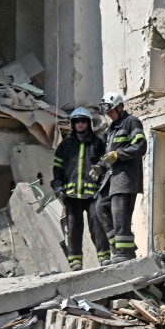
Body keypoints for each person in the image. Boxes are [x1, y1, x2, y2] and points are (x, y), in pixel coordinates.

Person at [51, 107, 111, 271]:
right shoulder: (64, 146)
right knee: (74, 229)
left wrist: (102, 187)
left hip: (93, 195)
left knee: (97, 226)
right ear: (72, 124)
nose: (80, 124)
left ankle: (104, 257)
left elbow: (105, 165)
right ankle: (75, 262)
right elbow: (57, 169)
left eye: (83, 121)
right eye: (77, 121)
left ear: (88, 124)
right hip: (71, 196)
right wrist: (57, 186)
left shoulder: (97, 144)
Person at [95, 91, 148, 263]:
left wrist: (118, 154)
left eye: (111, 110)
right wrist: (100, 166)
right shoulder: (110, 130)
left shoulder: (131, 122)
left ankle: (126, 254)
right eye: (107, 112)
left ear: (119, 106)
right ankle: (118, 250)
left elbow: (140, 146)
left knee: (119, 214)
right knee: (101, 208)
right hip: (111, 178)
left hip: (125, 178)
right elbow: (108, 156)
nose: (109, 114)